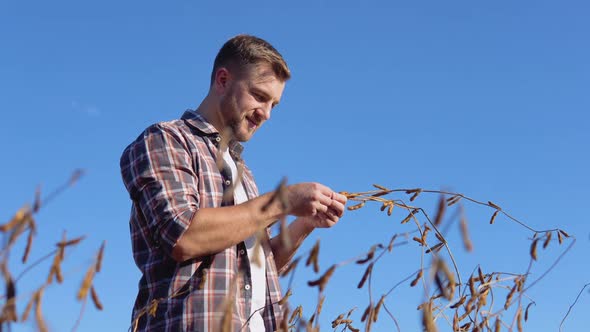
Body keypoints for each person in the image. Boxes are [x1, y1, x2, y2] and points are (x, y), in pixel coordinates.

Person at [120, 34, 347, 332]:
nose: (265, 114)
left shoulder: (242, 171)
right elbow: (183, 236)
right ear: (223, 80)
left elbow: (254, 271)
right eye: (259, 96)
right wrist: (282, 201)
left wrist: (304, 224)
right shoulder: (166, 140)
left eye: (274, 105)